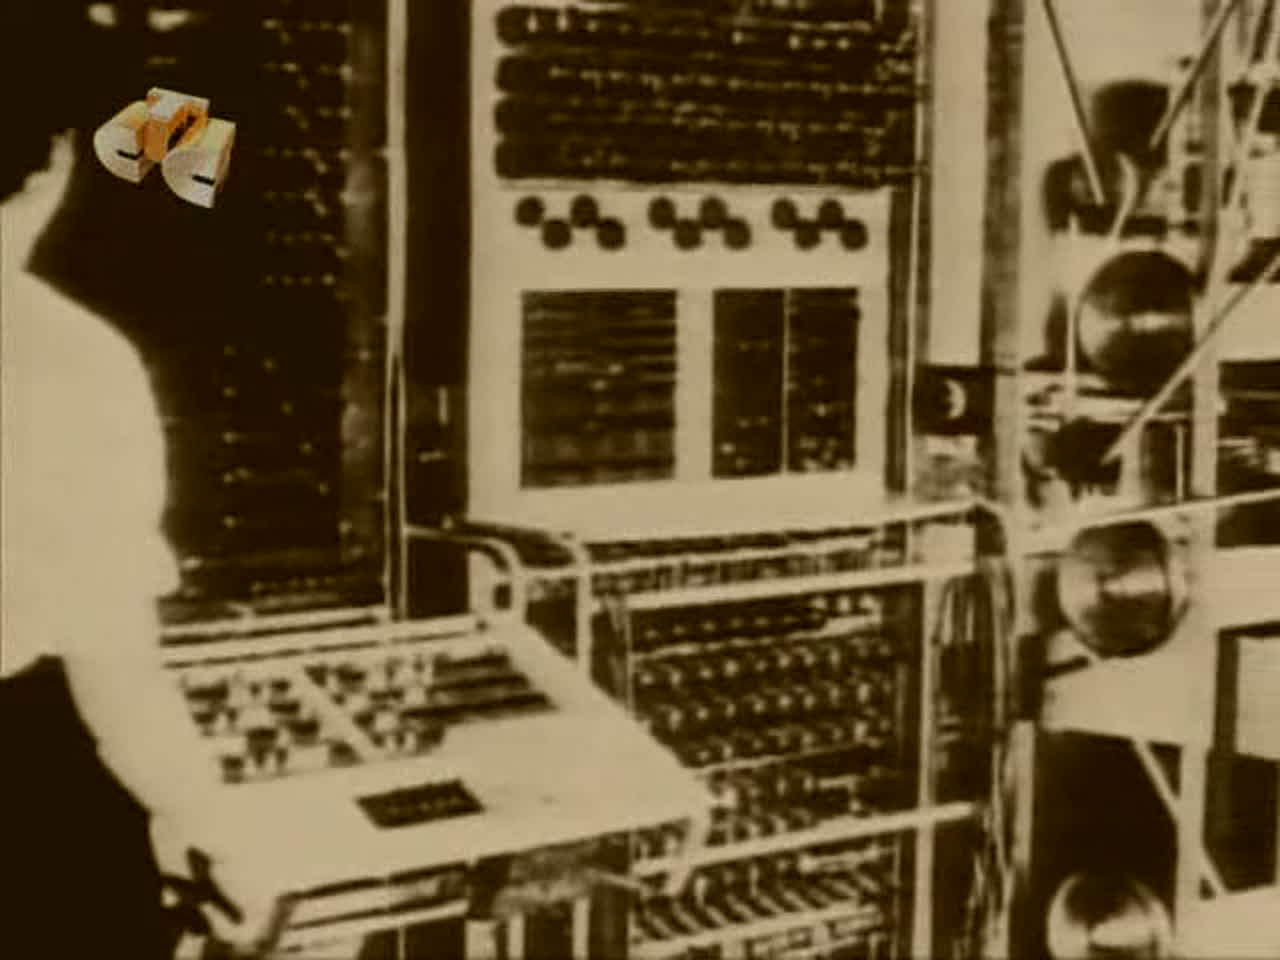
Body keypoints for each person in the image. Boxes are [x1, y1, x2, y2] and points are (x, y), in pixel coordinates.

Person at [1, 3, 279, 956]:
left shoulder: (120, 94)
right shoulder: (68, 359)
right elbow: (115, 677)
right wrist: (210, 828)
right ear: (53, 164)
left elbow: (202, 170)